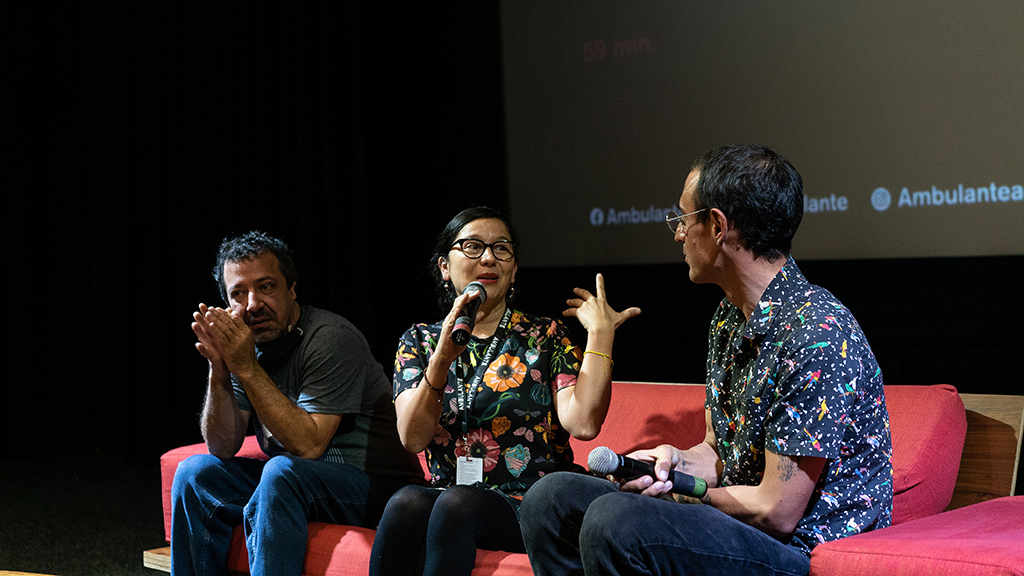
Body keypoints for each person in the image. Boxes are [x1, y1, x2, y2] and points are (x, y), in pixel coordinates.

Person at [520, 144, 893, 576]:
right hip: (742, 526)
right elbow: (718, 454)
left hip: (799, 549)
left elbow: (777, 510)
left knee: (616, 520)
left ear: (717, 226)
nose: (677, 234)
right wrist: (673, 462)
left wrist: (678, 493)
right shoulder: (727, 319)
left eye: (682, 219)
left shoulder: (816, 333)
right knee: (552, 500)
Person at [368, 207, 641, 576]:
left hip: (528, 503)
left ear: (512, 271)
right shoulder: (419, 341)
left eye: (501, 249)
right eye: (472, 246)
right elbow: (413, 437)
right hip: (448, 492)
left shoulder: (543, 337)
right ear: (444, 267)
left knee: (457, 505)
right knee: (406, 503)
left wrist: (600, 334)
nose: (488, 257)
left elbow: (584, 423)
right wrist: (442, 358)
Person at [171, 231, 425, 576]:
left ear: (291, 289)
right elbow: (222, 445)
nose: (253, 304)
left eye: (265, 287)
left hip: (378, 488)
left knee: (282, 471)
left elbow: (309, 446)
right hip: (299, 484)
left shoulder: (330, 338)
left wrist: (244, 367)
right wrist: (220, 369)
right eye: (238, 293)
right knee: (195, 472)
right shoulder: (246, 343)